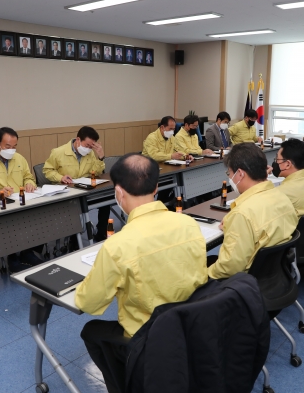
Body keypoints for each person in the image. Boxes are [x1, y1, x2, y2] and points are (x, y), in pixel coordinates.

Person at [76, 153, 208, 393]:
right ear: (156, 187)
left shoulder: (117, 245)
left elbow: (88, 303)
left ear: (118, 192)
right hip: (190, 325)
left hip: (148, 338)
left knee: (91, 331)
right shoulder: (188, 224)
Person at [207, 143, 298, 279]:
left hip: (247, 281)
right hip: (277, 276)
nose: (230, 177)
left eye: (229, 173)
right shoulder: (282, 198)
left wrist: (203, 275)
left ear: (240, 174)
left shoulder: (242, 214)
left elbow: (229, 268)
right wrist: (233, 225)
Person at [0, 127, 42, 272]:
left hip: (20, 202)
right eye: (7, 146)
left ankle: (27, 252)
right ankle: (13, 257)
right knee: (11, 221)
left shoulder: (19, 158)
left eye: (14, 146)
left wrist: (30, 183)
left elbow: (28, 177)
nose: (12, 150)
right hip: (0, 206)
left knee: (38, 215)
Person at [43, 126, 110, 241]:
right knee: (74, 210)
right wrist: (60, 177)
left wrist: (100, 158)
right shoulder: (58, 152)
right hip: (68, 195)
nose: (88, 149)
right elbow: (47, 171)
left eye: (91, 146)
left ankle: (101, 234)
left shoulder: (90, 153)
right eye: (87, 145)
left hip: (85, 192)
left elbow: (96, 172)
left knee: (105, 202)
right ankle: (74, 242)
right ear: (78, 139)